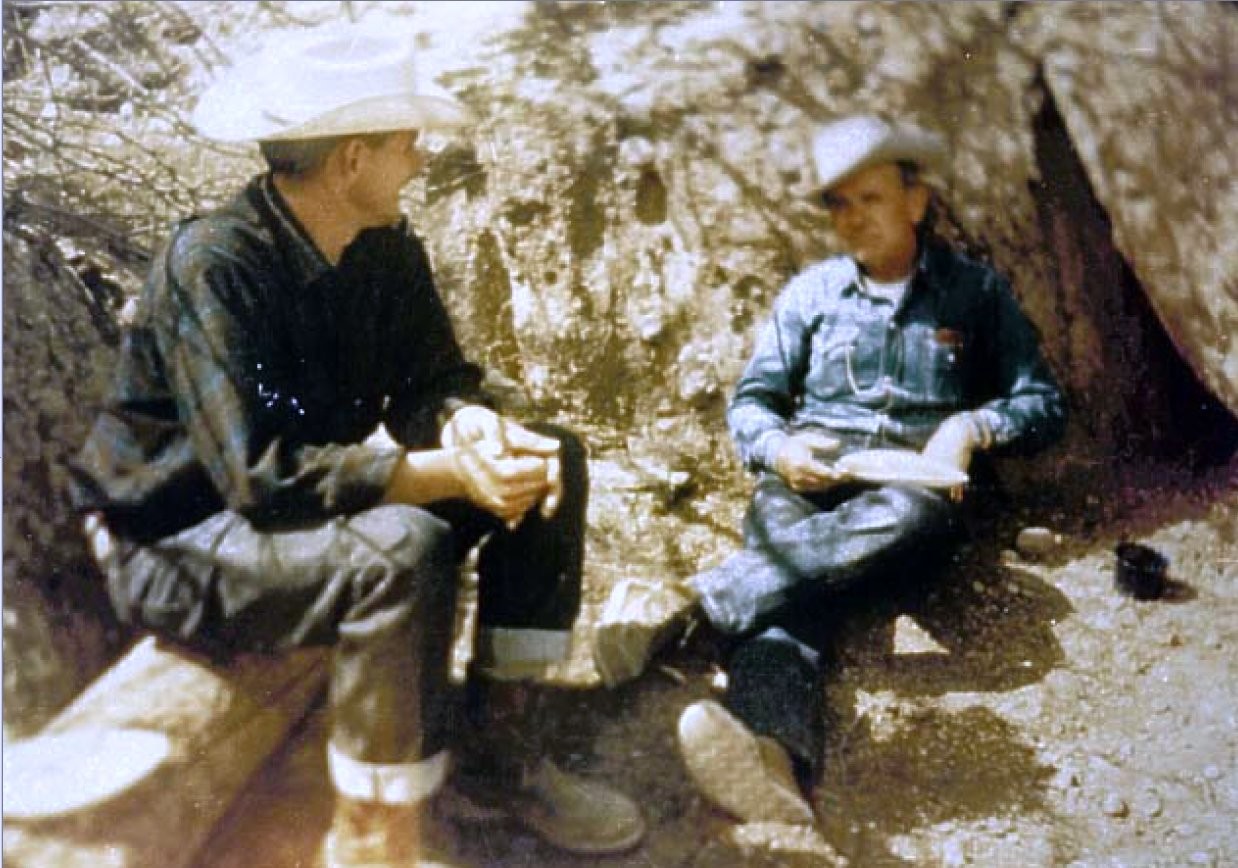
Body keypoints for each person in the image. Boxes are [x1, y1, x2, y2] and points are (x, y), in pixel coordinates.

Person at [69, 24, 644, 868]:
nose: (419, 161)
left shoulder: (382, 246)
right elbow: (257, 477)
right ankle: (375, 835)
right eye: (407, 144)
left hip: (279, 512)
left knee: (545, 457)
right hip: (178, 540)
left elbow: (430, 381)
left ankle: (500, 755)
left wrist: (468, 426)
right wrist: (445, 475)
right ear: (350, 161)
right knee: (403, 550)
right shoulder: (216, 266)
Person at [593, 114, 1066, 824]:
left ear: (916, 201)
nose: (852, 218)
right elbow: (754, 402)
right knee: (786, 586)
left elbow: (1042, 402)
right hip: (806, 485)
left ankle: (694, 608)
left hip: (909, 504)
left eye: (870, 198)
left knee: (898, 516)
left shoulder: (973, 293)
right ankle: (774, 770)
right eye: (838, 204)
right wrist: (781, 450)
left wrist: (969, 427)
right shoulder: (811, 295)